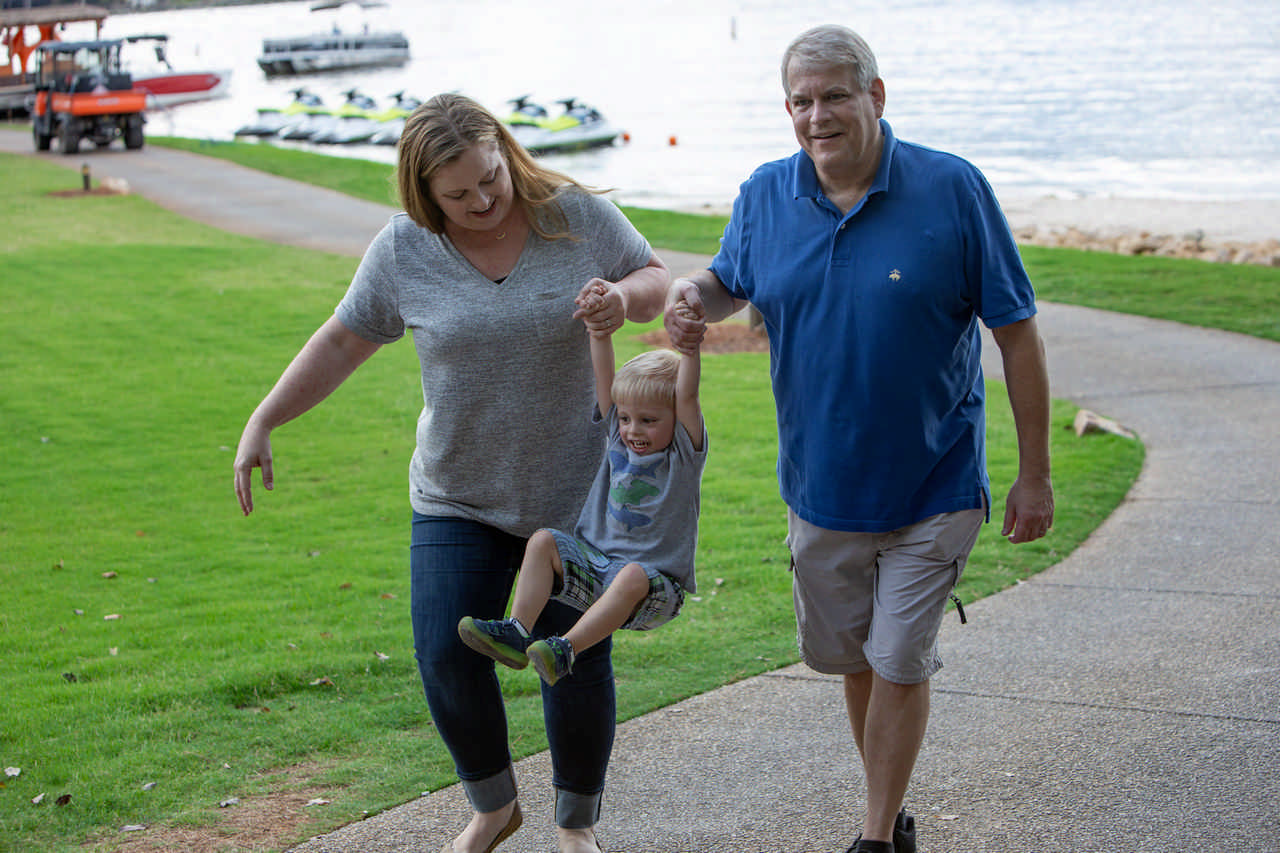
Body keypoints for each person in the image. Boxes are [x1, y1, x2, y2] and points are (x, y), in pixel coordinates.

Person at [233, 93, 669, 853]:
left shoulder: (567, 215)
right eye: (458, 193)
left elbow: (655, 277)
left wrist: (621, 300)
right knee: (444, 650)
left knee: (571, 656)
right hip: (456, 494)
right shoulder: (404, 250)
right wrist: (263, 418)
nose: (483, 200)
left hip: (573, 496)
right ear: (424, 191)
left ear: (505, 153)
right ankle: (494, 806)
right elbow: (341, 342)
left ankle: (576, 827)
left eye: (491, 178)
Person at [664, 24, 1055, 853]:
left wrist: (1036, 474)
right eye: (801, 102)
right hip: (822, 486)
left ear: (876, 96)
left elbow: (1016, 332)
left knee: (901, 657)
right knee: (855, 662)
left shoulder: (952, 189)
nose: (818, 116)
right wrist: (689, 294)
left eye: (835, 95)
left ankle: (875, 836)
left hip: (936, 480)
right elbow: (728, 280)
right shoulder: (766, 194)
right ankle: (892, 810)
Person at [457, 286, 707, 687]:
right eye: (625, 418)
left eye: (647, 420)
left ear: (675, 418)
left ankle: (565, 650)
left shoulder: (682, 454)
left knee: (630, 576)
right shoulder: (616, 436)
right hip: (598, 568)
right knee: (541, 541)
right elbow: (604, 378)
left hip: (655, 588)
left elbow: (688, 395)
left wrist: (690, 351)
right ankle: (517, 632)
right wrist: (599, 333)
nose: (632, 430)